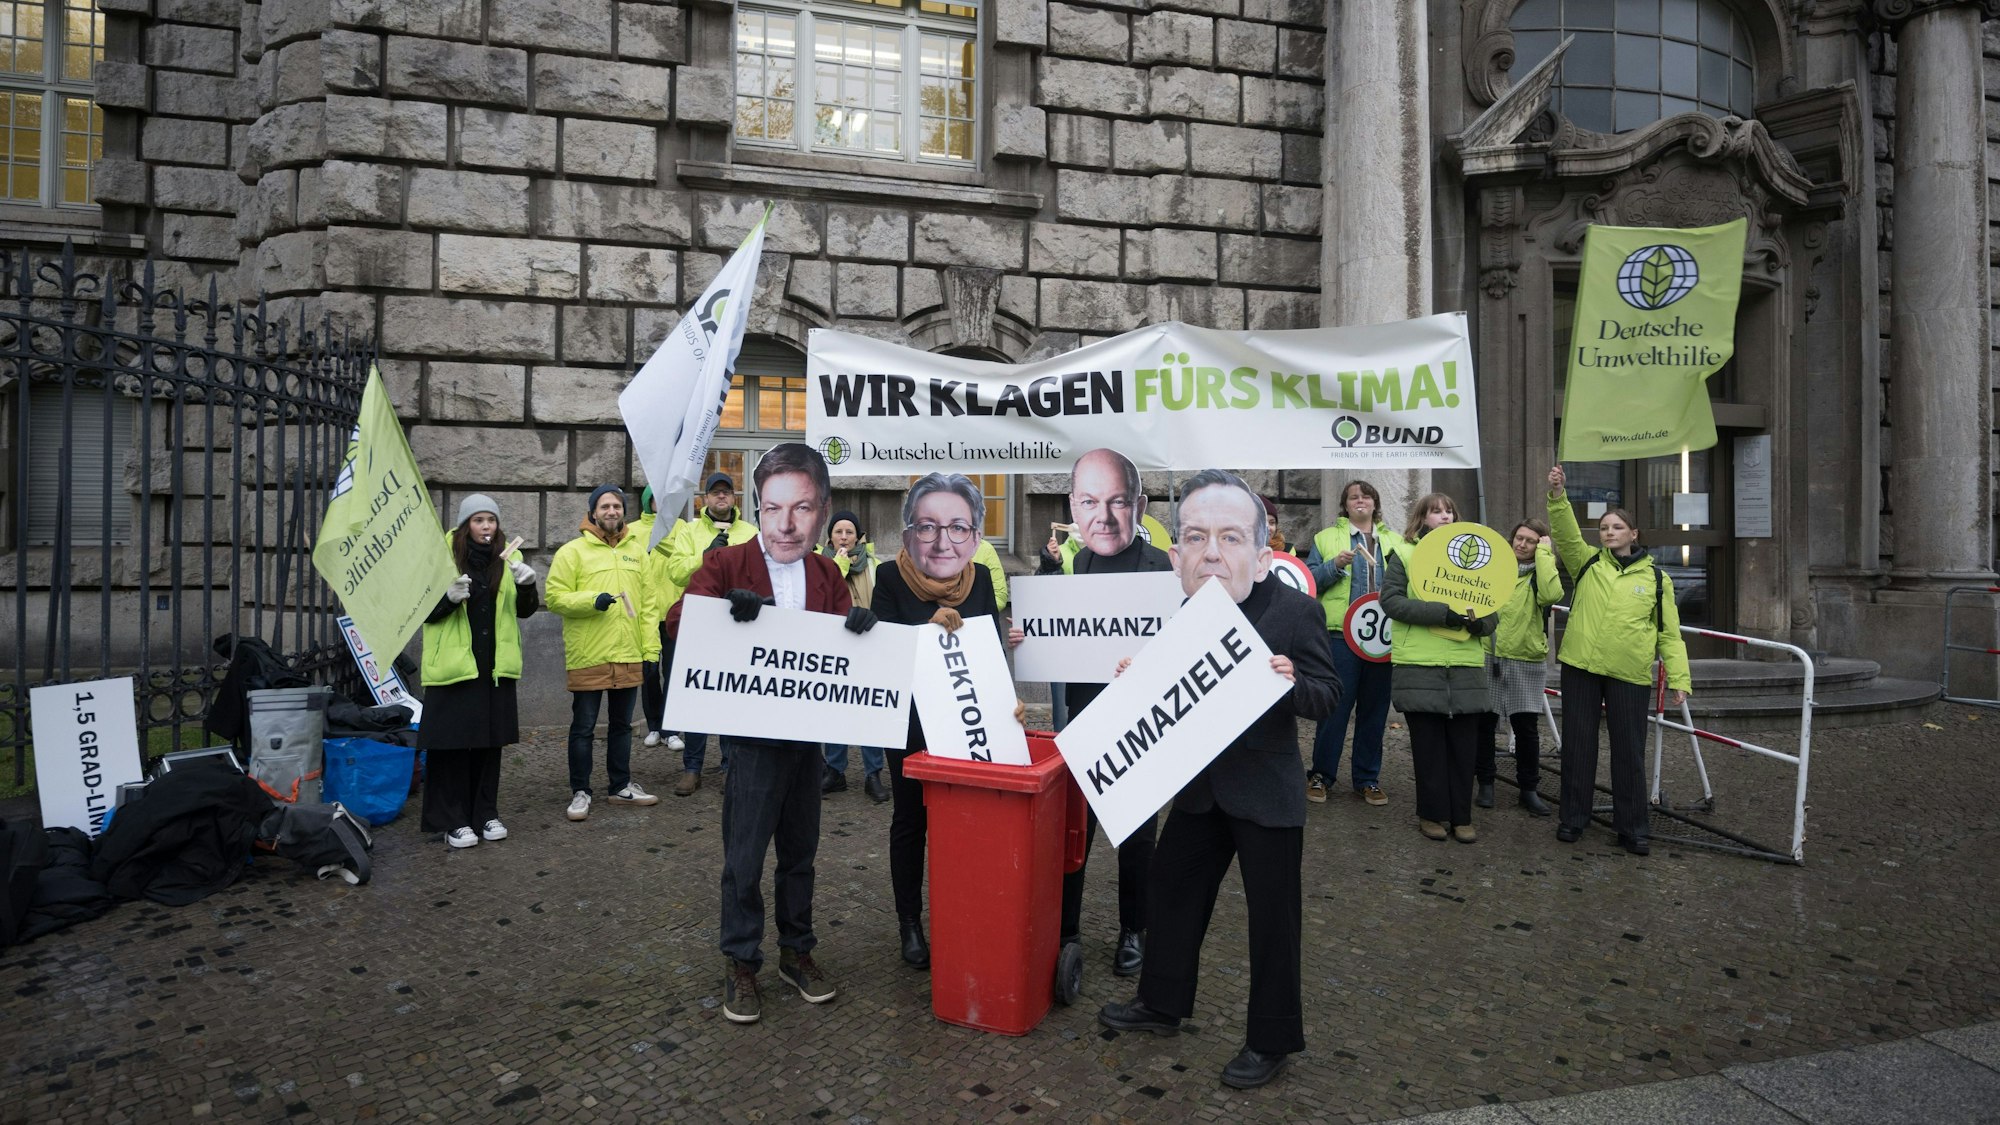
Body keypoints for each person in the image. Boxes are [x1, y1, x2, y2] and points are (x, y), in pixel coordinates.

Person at [1098, 469, 1339, 1091]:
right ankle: (1162, 1003)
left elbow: (1327, 696)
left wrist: (1291, 683)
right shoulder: (1188, 608)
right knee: (1171, 894)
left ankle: (1272, 1040)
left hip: (1266, 794)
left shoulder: (1296, 612)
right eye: (1197, 537)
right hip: (1201, 791)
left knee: (1274, 923)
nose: (1212, 552)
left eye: (1230, 538)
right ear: (1178, 553)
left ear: (1261, 557)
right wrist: (1137, 675)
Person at [668, 442, 871, 1024]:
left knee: (801, 852)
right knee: (745, 854)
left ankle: (796, 950)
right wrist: (719, 616)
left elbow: (846, 657)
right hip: (752, 744)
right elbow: (678, 624)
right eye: (773, 507)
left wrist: (861, 627)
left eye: (802, 509)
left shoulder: (826, 572)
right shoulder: (726, 565)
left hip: (807, 741)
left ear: (823, 510)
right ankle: (741, 960)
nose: (786, 524)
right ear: (757, 506)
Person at [1014, 447, 1165, 978]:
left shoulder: (1163, 567)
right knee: (1075, 831)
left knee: (1136, 834)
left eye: (1118, 501)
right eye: (1089, 502)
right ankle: (1067, 927)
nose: (1103, 515)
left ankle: (1134, 930)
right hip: (1086, 715)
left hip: (1142, 722)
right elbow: (1072, 636)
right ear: (1074, 509)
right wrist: (1031, 635)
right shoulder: (1079, 562)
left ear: (1139, 505)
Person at [872, 473, 1006, 971]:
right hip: (908, 725)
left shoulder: (984, 580)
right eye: (927, 527)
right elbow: (881, 655)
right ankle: (910, 921)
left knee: (966, 823)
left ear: (975, 536)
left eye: (957, 527)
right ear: (908, 533)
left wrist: (1006, 701)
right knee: (910, 821)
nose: (942, 541)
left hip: (966, 723)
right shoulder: (888, 578)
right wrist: (922, 634)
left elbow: (989, 650)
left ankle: (962, 915)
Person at [1545, 465, 1693, 855]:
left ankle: (1632, 828)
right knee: (1578, 746)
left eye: (1616, 527)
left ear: (1633, 535)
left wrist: (1679, 678)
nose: (1608, 532)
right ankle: (1573, 819)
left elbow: (1668, 634)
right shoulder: (1588, 564)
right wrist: (1558, 496)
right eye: (1605, 527)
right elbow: (1565, 533)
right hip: (1581, 668)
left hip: (1629, 675)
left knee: (1629, 751)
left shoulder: (1658, 579)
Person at [418, 494, 539, 848]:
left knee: (488, 743)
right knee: (452, 744)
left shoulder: (509, 559)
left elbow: (525, 611)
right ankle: (452, 820)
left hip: (493, 666)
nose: (487, 527)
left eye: (491, 520)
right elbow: (422, 612)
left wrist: (528, 585)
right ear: (464, 525)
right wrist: (447, 599)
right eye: (478, 520)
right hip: (455, 665)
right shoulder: (442, 559)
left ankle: (485, 813)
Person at [1379, 493, 1497, 844]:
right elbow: (1391, 601)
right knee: (1428, 749)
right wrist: (1439, 612)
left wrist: (1481, 624)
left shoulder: (1476, 559)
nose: (1444, 516)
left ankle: (1461, 817)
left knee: (1464, 749)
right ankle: (1432, 814)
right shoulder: (1403, 554)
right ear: (1422, 518)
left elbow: (1493, 608)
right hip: (1420, 664)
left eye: (1449, 510)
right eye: (1436, 511)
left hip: (1465, 666)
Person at [545, 485, 661, 822]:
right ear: (593, 512)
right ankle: (580, 791)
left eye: (617, 506)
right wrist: (589, 601)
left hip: (628, 653)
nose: (611, 511)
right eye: (605, 506)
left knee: (622, 726)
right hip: (589, 654)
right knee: (583, 726)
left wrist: (650, 651)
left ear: (624, 511)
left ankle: (620, 785)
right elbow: (554, 597)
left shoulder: (638, 552)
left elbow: (649, 606)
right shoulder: (572, 552)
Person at [1302, 480, 1405, 806]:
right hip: (1340, 636)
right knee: (1333, 708)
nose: (1360, 501)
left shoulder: (1396, 541)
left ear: (1375, 503)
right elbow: (1308, 582)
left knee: (1375, 712)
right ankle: (1321, 775)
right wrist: (1335, 566)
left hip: (1382, 639)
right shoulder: (1326, 538)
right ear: (1345, 506)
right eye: (1352, 497)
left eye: (1365, 496)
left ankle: (1367, 779)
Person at [661, 471, 757, 796]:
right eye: (715, 492)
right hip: (700, 626)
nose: (721, 497)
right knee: (698, 697)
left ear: (734, 498)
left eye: (726, 493)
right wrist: (705, 557)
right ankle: (693, 767)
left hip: (739, 625)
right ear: (704, 499)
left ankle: (732, 766)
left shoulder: (750, 532)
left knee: (734, 698)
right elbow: (675, 572)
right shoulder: (689, 531)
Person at [1476, 519, 1562, 816]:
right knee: (1485, 724)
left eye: (1531, 541)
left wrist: (1546, 555)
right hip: (1492, 653)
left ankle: (1528, 789)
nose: (1522, 544)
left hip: (1526, 658)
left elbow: (1552, 595)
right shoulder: (1497, 567)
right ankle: (1485, 782)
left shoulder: (1542, 573)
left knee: (1526, 728)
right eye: (1519, 538)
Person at [817, 510, 889, 802]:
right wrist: (839, 566)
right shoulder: (821, 564)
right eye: (838, 532)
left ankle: (873, 773)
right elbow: (821, 595)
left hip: (869, 643)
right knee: (836, 709)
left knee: (869, 710)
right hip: (835, 646)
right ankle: (835, 770)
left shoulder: (875, 565)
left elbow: (884, 600)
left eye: (849, 532)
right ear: (830, 537)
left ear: (859, 537)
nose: (844, 537)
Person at [635, 486, 689, 751]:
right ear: (647, 500)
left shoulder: (681, 528)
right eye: (655, 497)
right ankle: (654, 726)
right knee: (649, 673)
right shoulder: (632, 530)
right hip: (645, 615)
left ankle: (671, 729)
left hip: (673, 612)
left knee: (673, 671)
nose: (659, 503)